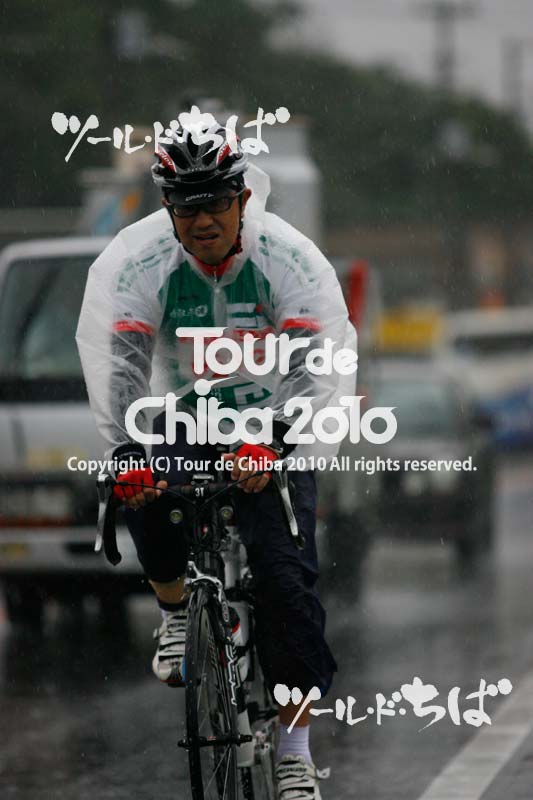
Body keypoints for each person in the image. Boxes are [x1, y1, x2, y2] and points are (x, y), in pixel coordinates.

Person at [76, 116, 357, 800]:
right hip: (184, 415)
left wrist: (273, 441)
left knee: (284, 582)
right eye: (186, 206)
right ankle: (177, 611)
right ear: (167, 206)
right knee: (140, 481)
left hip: (273, 422)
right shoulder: (141, 262)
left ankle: (293, 751)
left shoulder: (288, 258)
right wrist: (125, 451)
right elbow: (122, 367)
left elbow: (315, 366)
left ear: (242, 198)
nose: (202, 220)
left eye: (216, 204)